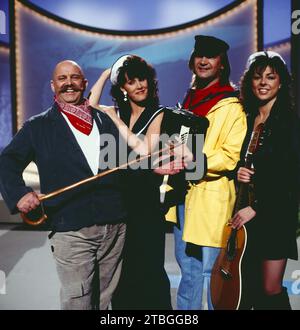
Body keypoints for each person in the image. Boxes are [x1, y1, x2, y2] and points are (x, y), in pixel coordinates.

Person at [0, 60, 127, 310]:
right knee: (77, 301)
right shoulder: (38, 126)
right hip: (71, 229)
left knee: (103, 300)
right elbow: (7, 162)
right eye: (62, 78)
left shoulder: (105, 119)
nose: (69, 83)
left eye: (74, 77)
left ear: (84, 83)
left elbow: (124, 162)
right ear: (52, 85)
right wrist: (19, 195)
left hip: (114, 225)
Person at [89, 55, 174, 309]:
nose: (139, 85)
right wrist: (108, 73)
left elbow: (146, 151)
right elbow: (91, 105)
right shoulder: (118, 111)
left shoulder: (159, 113)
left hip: (146, 206)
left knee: (149, 271)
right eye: (131, 81)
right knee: (121, 272)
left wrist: (116, 121)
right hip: (119, 204)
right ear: (122, 89)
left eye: (142, 79)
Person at [173, 35, 247, 310]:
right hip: (183, 196)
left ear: (222, 64)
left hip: (212, 198)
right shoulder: (189, 100)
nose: (203, 61)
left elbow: (230, 156)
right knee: (189, 274)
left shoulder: (232, 105)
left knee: (211, 275)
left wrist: (195, 158)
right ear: (192, 62)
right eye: (199, 56)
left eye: (211, 56)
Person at [231, 51, 300, 309]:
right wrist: (239, 170)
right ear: (250, 82)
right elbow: (245, 163)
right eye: (258, 77)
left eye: (271, 77)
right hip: (247, 220)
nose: (263, 83)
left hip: (274, 215)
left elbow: (291, 180)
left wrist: (257, 207)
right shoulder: (247, 120)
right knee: (249, 289)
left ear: (281, 83)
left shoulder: (288, 124)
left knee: (270, 289)